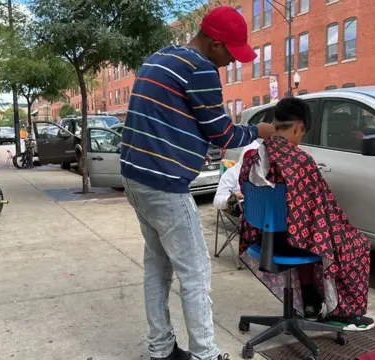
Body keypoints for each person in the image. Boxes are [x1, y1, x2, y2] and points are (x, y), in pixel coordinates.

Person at [120, 6, 276, 360]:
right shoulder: (201, 68)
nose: (229, 63)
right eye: (229, 53)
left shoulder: (159, 57)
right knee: (196, 274)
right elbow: (222, 133)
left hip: (135, 177)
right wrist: (259, 131)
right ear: (213, 42)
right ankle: (206, 354)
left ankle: (161, 350)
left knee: (157, 268)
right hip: (164, 183)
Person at [238, 97, 375, 331]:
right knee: (357, 244)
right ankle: (342, 313)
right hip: (292, 242)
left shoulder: (253, 157)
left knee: (308, 237)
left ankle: (310, 301)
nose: (300, 139)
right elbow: (323, 210)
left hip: (263, 238)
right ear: (298, 127)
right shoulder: (300, 160)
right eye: (302, 133)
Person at [212, 141, 260, 216]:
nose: (250, 163)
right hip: (240, 205)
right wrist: (233, 197)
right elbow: (217, 201)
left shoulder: (264, 172)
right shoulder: (232, 173)